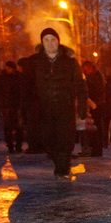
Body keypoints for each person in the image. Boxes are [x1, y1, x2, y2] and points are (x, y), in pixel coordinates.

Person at [25, 27, 88, 178]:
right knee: (48, 139)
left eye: (53, 39)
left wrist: (82, 106)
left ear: (58, 41)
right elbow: (26, 86)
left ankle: (63, 168)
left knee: (65, 139)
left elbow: (80, 85)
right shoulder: (34, 62)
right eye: (46, 40)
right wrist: (27, 108)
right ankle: (59, 163)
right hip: (44, 108)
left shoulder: (70, 62)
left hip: (64, 107)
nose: (50, 43)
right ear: (42, 43)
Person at [0, 61, 24, 153]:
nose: (7, 69)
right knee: (8, 127)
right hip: (7, 106)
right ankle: (10, 145)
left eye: (9, 68)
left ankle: (18, 145)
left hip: (16, 106)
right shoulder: (2, 78)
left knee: (18, 127)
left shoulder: (19, 77)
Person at [80, 60, 105, 157]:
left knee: (95, 127)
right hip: (94, 103)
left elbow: (97, 90)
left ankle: (96, 150)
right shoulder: (94, 75)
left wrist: (94, 103)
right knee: (93, 127)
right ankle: (94, 149)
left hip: (95, 104)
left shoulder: (95, 77)